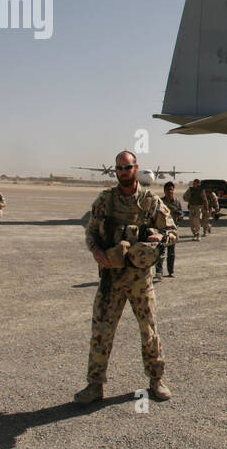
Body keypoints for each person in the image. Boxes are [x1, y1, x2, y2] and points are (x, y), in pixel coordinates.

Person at [74, 151, 177, 404]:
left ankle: (156, 381)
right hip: (111, 277)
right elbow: (90, 232)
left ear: (136, 168)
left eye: (127, 167)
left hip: (140, 279)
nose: (122, 172)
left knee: (149, 330)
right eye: (119, 168)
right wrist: (97, 251)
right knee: (101, 331)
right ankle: (95, 385)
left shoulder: (150, 201)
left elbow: (172, 231)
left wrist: (160, 238)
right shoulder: (105, 200)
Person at [155, 181, 181, 279]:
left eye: (171, 189)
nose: (170, 192)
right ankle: (159, 271)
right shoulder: (160, 202)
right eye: (168, 190)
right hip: (161, 229)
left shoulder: (177, 202)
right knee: (160, 250)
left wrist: (180, 215)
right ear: (164, 191)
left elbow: (181, 214)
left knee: (171, 252)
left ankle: (171, 271)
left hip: (172, 230)